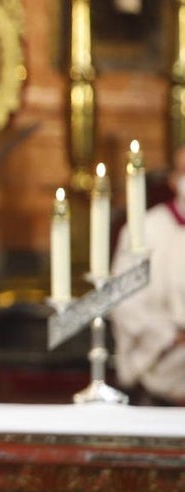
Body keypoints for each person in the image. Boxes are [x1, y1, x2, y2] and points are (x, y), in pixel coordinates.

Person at [111, 143, 185, 406]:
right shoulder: (144, 231)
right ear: (173, 181)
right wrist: (171, 337)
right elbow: (125, 303)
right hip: (161, 375)